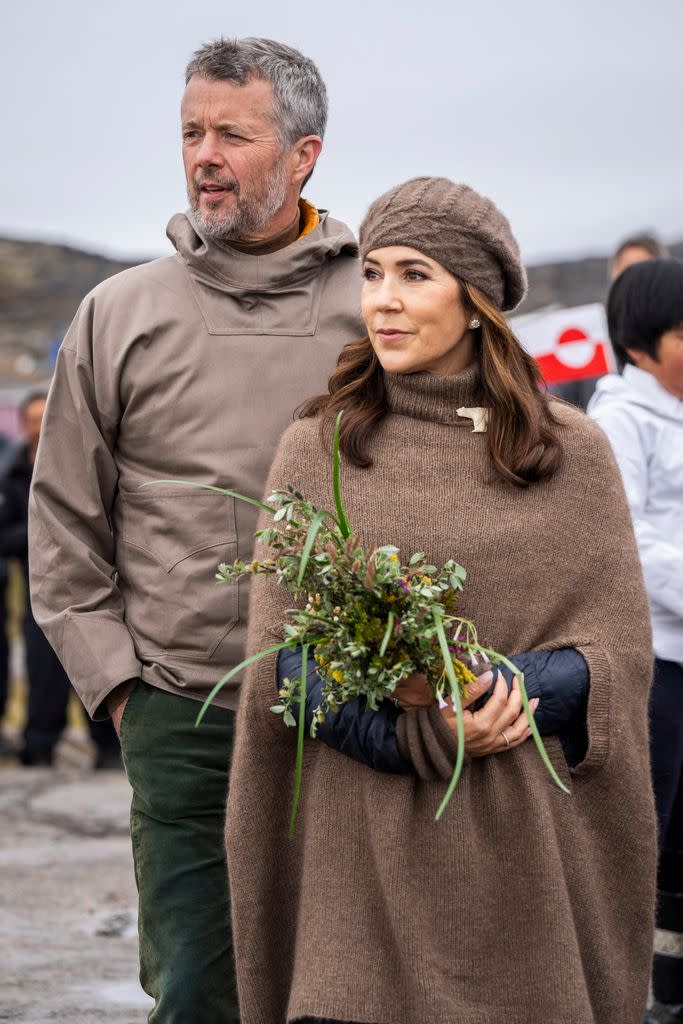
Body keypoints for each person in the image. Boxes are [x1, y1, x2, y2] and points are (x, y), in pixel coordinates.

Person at [227, 177, 657, 1024]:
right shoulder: (317, 448)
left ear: (477, 302)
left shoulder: (568, 453)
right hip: (358, 854)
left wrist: (487, 690)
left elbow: (616, 654)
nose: (383, 301)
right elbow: (282, 662)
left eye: (414, 275)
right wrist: (404, 737)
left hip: (520, 862)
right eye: (373, 272)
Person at [28, 36, 363, 1023]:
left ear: (302, 154)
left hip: (353, 709)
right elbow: (64, 519)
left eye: (232, 133)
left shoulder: (377, 309)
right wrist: (124, 691)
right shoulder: (117, 313)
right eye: (189, 132)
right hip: (182, 710)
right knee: (199, 992)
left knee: (346, 988)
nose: (203, 155)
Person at [588, 258, 683, 1023]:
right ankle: (634, 994)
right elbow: (628, 534)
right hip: (659, 665)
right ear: (641, 344)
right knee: (649, 831)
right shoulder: (618, 419)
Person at [0, 392, 120, 766]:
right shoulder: (13, 474)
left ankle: (106, 748)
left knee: (95, 666)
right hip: (37, 593)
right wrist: (43, 527)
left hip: (88, 588)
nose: (38, 426)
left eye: (44, 417)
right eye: (32, 419)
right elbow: (4, 539)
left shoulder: (78, 462)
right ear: (23, 425)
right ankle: (38, 747)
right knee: (43, 676)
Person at [551, 232, 669, 410]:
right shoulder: (585, 339)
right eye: (626, 270)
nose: (632, 281)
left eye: (642, 272)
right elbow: (554, 401)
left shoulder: (675, 341)